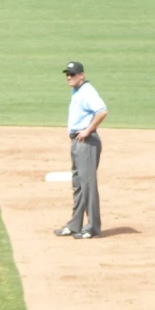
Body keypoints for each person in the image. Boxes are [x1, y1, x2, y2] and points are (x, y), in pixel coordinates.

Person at [54, 61, 109, 239]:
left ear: (82, 75)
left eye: (73, 74)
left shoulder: (87, 92)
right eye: (68, 74)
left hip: (87, 142)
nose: (69, 77)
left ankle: (93, 227)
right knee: (78, 185)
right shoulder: (77, 90)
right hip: (77, 142)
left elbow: (102, 111)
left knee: (88, 186)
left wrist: (88, 130)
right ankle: (75, 224)